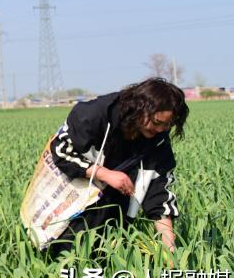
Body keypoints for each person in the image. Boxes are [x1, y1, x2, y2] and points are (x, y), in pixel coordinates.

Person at [45, 78, 189, 256]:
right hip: (72, 197)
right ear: (140, 109)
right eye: (157, 122)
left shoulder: (158, 140)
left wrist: (169, 247)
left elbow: (159, 193)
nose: (160, 130)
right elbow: (61, 150)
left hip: (115, 207)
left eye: (168, 125)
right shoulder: (94, 115)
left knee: (108, 254)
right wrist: (105, 174)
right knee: (68, 253)